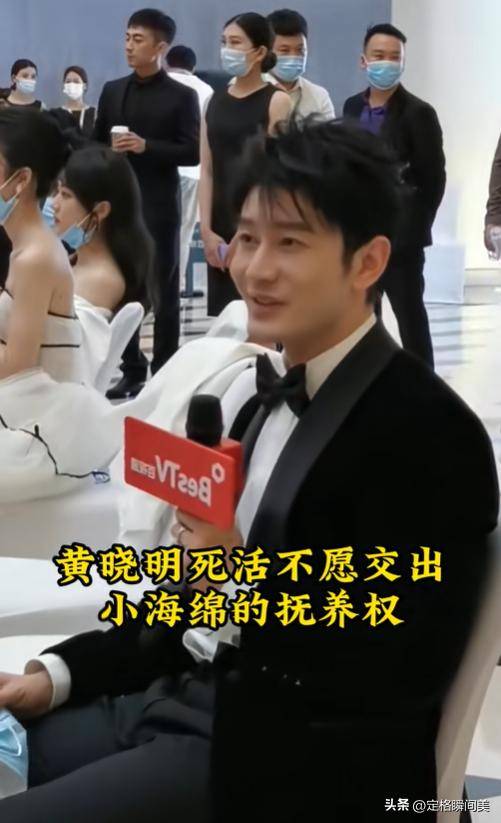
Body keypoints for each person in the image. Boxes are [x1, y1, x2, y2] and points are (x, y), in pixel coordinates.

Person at [0, 119, 497, 823]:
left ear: (367, 262)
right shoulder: (255, 396)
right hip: (174, 703)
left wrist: (240, 574)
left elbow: (392, 665)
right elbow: (189, 599)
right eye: (247, 237)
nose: (253, 268)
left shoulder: (426, 432)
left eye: (289, 243)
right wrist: (57, 674)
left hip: (291, 763)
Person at [94, 8, 200, 399]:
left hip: (158, 204)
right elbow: (94, 140)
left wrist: (145, 146)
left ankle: (165, 369)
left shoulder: (182, 96)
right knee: (124, 289)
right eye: (127, 37)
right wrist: (107, 151)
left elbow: (192, 151)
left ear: (160, 47)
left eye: (138, 40)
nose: (129, 46)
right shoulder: (112, 90)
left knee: (163, 291)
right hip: (119, 203)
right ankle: (132, 368)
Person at [344, 23, 446, 369]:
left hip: (402, 241)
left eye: (394, 57)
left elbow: (433, 179)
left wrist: (414, 226)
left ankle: (424, 385)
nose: (386, 63)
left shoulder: (419, 113)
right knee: (361, 318)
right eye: (379, 55)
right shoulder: (352, 107)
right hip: (359, 236)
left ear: (403, 62)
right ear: (363, 60)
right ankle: (368, 380)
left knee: (410, 317)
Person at [200, 11, 292, 316]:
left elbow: (276, 174)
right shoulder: (213, 101)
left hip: (260, 223)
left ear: (260, 52)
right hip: (219, 226)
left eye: (236, 42)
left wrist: (249, 234)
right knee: (228, 318)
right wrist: (206, 231)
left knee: (261, 314)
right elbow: (207, 170)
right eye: (224, 42)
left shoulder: (276, 101)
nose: (228, 49)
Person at [0, 107, 82, 383]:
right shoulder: (25, 248)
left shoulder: (36, 258)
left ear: (21, 180)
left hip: (29, 406)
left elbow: (17, 368)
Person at [51, 145, 154, 315]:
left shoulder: (102, 280)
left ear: (101, 210)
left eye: (66, 195)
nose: (54, 204)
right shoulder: (72, 261)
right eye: (57, 191)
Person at [166, 45, 213, 291]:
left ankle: (151, 287)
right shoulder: (207, 90)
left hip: (160, 169)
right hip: (194, 171)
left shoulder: (159, 85)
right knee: (183, 232)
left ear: (167, 63)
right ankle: (178, 284)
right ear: (193, 67)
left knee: (155, 230)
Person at [266, 8, 335, 119]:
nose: (293, 56)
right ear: (267, 52)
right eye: (284, 50)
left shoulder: (319, 96)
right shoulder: (246, 90)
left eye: (300, 50)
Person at [52, 66, 96, 139]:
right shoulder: (55, 115)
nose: (72, 85)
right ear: (64, 86)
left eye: (76, 81)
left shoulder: (94, 114)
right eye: (68, 82)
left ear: (84, 86)